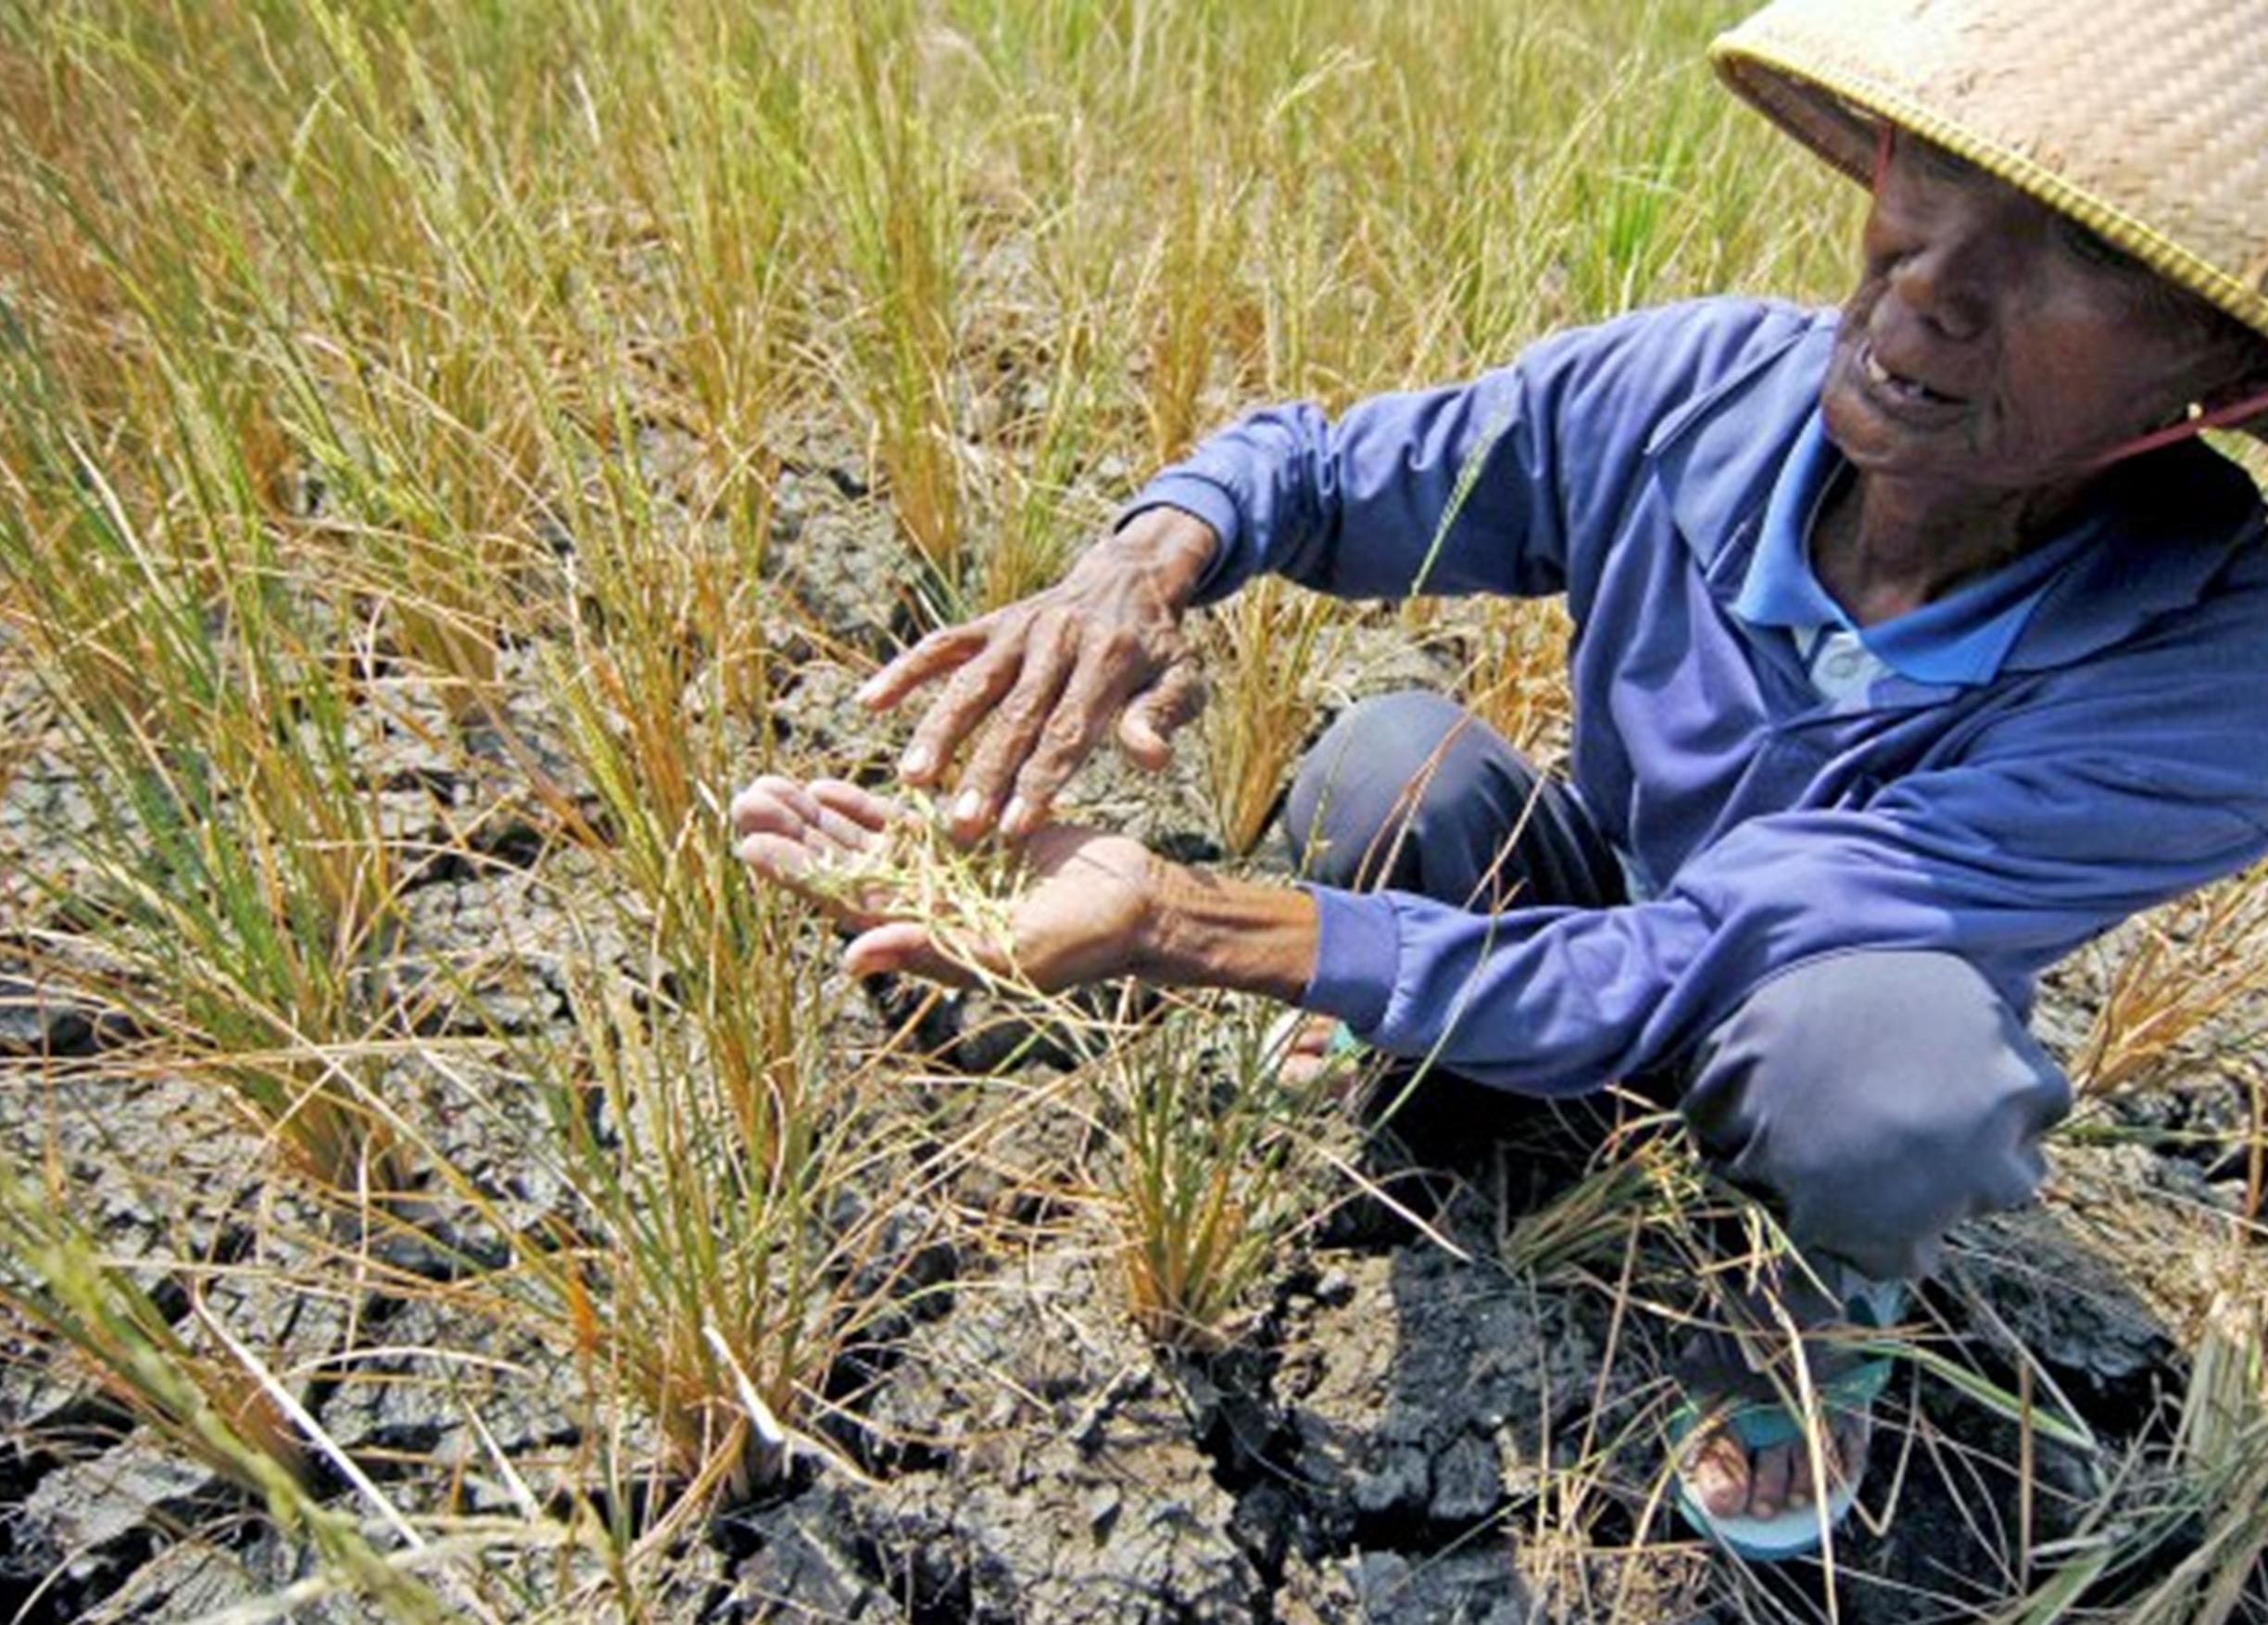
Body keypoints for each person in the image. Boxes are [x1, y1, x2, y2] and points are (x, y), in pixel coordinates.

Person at [737, 0, 2268, 1559]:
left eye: (2076, 252)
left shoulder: (2221, 651)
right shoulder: (1703, 387)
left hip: (1815, 1001)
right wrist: (1146, 560)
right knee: (1392, 767)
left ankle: (1822, 1300)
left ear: (2209, 372)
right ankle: (1456, 1075)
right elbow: (1334, 473)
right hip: (1599, 899)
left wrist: (1180, 921)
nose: (1931, 283)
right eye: (1933, 171)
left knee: (1889, 1080)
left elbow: (1712, 955)